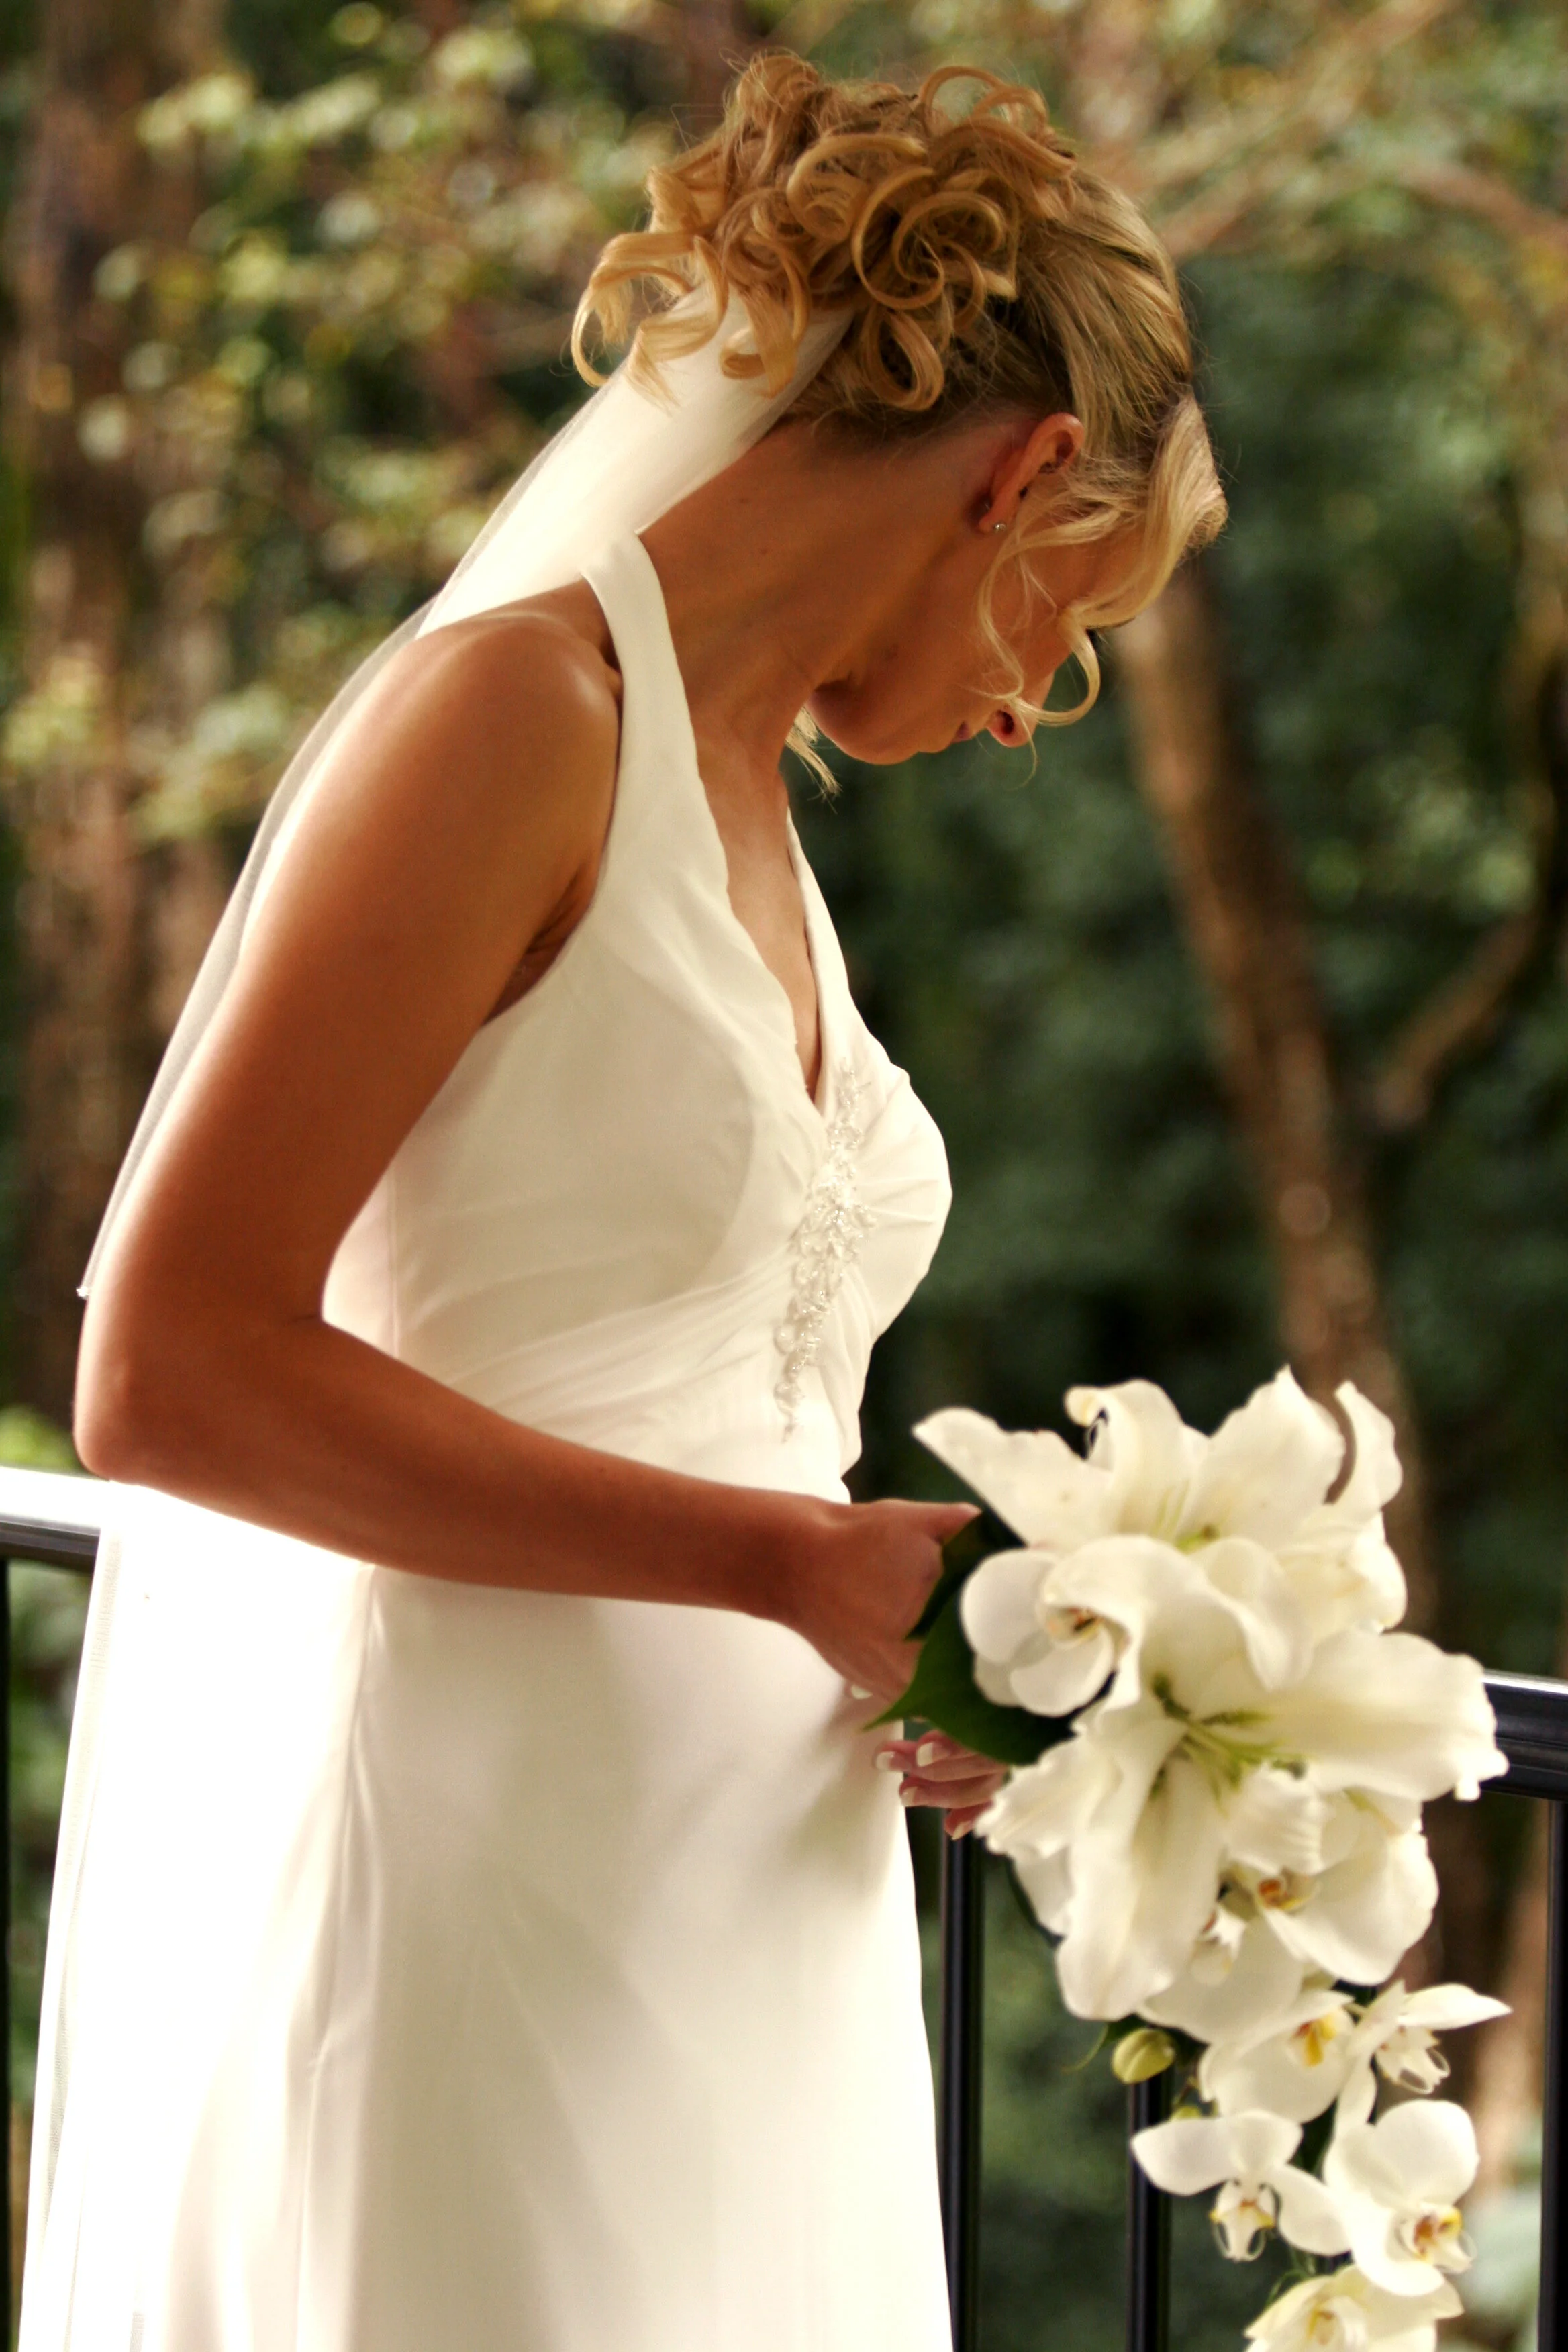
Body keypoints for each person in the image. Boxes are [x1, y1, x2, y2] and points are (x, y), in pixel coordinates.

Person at [21, 52, 1225, 2352]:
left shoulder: (750, 801)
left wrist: (936, 1630)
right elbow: (162, 1375)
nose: (1029, 706)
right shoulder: (506, 717)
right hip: (474, 1877)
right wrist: (784, 1564)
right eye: (1080, 610)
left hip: (745, 1902)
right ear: (1028, 470)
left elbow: (689, 1388)